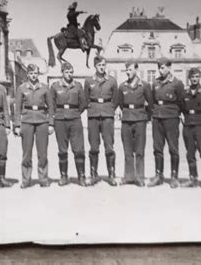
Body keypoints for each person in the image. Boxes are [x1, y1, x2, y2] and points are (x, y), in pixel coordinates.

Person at [14, 64, 54, 188]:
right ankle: (26, 179)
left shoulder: (45, 88)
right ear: (27, 74)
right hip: (27, 121)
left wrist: (51, 123)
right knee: (26, 153)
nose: (33, 75)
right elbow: (17, 108)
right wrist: (17, 124)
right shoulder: (21, 88)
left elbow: (51, 107)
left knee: (42, 153)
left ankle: (43, 179)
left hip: (42, 121)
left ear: (38, 74)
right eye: (31, 73)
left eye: (35, 73)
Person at [148, 57, 185, 188]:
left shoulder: (177, 83)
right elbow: (152, 100)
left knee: (173, 148)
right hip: (157, 117)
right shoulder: (155, 83)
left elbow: (181, 101)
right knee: (157, 148)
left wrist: (176, 113)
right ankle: (159, 175)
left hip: (171, 117)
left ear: (169, 67)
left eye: (163, 67)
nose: (160, 70)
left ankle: (174, 177)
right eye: (159, 67)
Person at [50, 62, 88, 187]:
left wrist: (75, 112)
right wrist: (58, 114)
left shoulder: (77, 86)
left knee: (79, 149)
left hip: (75, 119)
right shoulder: (55, 86)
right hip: (60, 120)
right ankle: (63, 176)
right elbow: (52, 104)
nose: (69, 74)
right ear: (62, 72)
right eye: (66, 72)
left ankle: (81, 176)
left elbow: (83, 103)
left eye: (71, 72)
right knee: (62, 150)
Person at [84, 56, 119, 186]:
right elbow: (85, 98)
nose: (102, 67)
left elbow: (116, 99)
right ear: (95, 66)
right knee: (93, 146)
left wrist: (109, 109)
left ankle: (111, 174)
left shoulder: (112, 81)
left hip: (107, 115)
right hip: (93, 115)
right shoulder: (88, 81)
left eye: (104, 64)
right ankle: (93, 174)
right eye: (99, 65)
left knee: (109, 145)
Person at [117, 61, 153, 187]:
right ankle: (128, 177)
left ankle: (139, 177)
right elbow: (120, 103)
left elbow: (151, 103)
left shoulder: (144, 86)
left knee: (139, 150)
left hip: (140, 119)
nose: (128, 72)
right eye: (126, 69)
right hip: (126, 120)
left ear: (136, 69)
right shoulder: (122, 86)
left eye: (130, 69)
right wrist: (126, 112)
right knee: (127, 150)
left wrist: (145, 117)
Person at [179, 68, 201, 191]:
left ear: (200, 77)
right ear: (189, 78)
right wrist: (183, 119)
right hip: (188, 126)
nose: (194, 79)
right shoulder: (184, 94)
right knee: (190, 153)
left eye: (197, 76)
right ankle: (193, 178)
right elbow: (181, 109)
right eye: (192, 77)